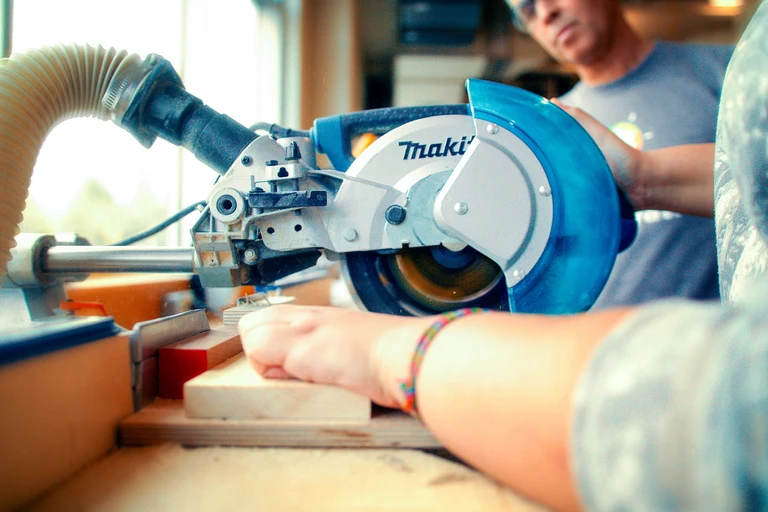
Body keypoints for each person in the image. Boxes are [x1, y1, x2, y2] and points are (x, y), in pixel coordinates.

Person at [238, 1, 768, 510]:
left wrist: (389, 354)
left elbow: (727, 422)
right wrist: (641, 178)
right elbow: (748, 176)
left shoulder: (723, 64)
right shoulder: (562, 118)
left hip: (633, 376)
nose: (544, 14)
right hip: (553, 362)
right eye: (525, 10)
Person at [508, 0, 733, 309]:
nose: (546, 13)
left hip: (729, 338)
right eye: (528, 11)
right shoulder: (551, 132)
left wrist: (643, 180)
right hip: (611, 348)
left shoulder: (730, 72)